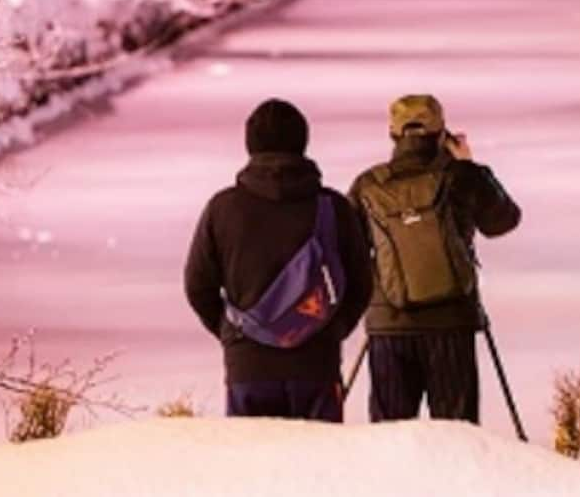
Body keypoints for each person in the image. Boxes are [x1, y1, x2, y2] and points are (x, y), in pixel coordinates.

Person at [184, 98, 373, 420]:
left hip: (248, 364)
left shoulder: (223, 208)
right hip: (317, 363)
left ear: (250, 144)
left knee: (254, 464)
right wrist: (329, 329)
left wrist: (234, 332)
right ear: (303, 142)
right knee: (319, 464)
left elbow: (197, 286)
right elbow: (361, 283)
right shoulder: (333, 208)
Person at [349, 94, 521, 424]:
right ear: (442, 132)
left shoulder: (368, 185)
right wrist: (469, 166)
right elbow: (504, 220)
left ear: (393, 134)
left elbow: (347, 247)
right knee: (456, 436)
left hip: (390, 326)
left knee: (390, 439)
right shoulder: (460, 176)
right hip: (451, 322)